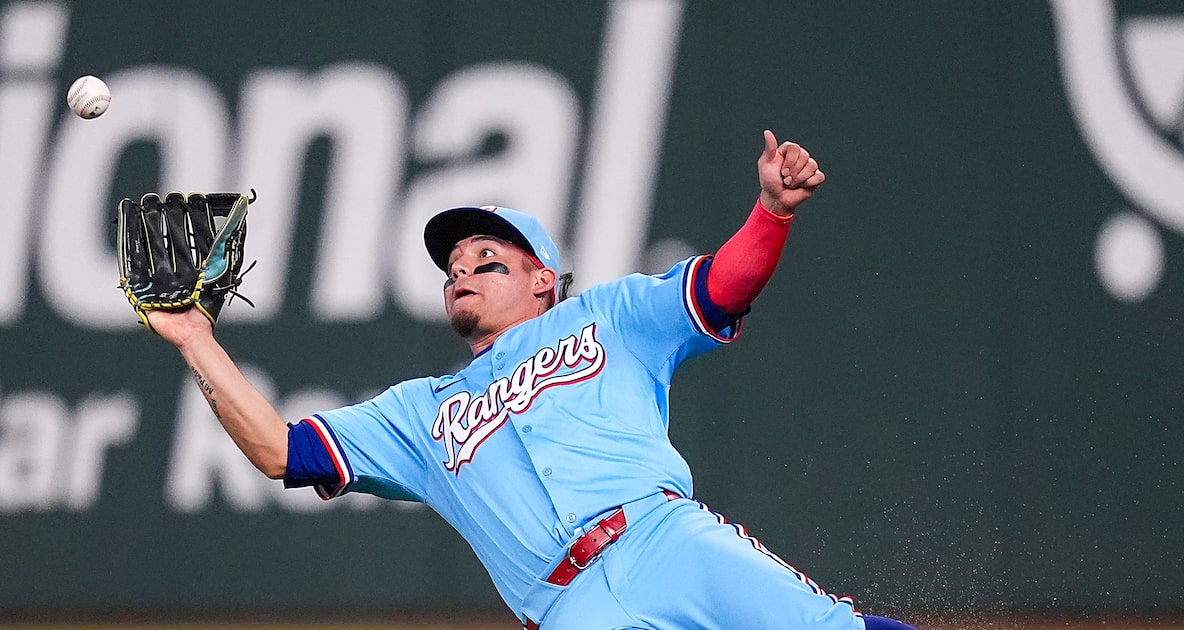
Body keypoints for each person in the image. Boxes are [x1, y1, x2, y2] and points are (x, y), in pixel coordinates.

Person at [144, 130, 917, 630]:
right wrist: (194, 338)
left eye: (488, 261)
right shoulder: (420, 415)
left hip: (660, 538)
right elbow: (282, 451)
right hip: (564, 606)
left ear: (545, 279)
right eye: (453, 269)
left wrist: (771, 213)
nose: (463, 273)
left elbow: (721, 287)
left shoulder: (611, 317)